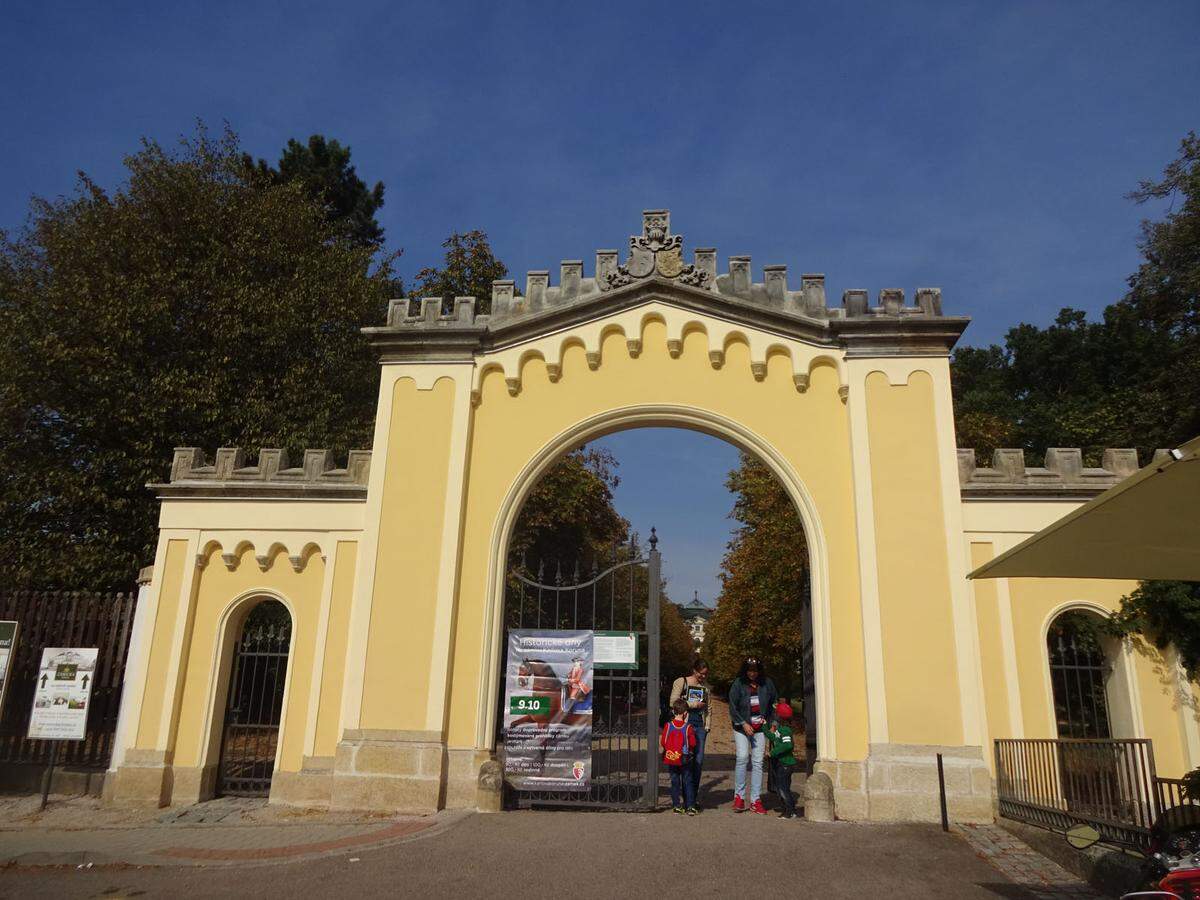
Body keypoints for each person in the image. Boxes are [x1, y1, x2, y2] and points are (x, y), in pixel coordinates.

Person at [727, 656, 777, 814]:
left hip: (760, 728)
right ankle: (739, 797)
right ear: (745, 670)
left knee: (757, 762)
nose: (752, 674)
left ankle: (755, 799)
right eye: (749, 671)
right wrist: (743, 723)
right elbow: (732, 706)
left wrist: (774, 722)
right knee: (742, 758)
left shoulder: (767, 683)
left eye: (755, 671)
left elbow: (774, 703)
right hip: (742, 727)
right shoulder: (738, 684)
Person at [670, 657, 711, 809]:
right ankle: (680, 796)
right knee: (683, 760)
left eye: (706, 674)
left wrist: (707, 726)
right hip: (683, 726)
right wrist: (694, 704)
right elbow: (673, 701)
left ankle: (692, 799)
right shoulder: (681, 682)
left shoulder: (706, 687)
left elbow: (709, 708)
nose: (703, 677)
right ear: (694, 670)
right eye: (701, 673)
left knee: (698, 762)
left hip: (700, 726)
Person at [660, 698, 698, 815]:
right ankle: (690, 806)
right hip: (685, 759)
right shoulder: (688, 727)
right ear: (685, 713)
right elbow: (693, 743)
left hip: (671, 758)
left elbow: (663, 742)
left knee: (674, 782)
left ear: (674, 711)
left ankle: (676, 805)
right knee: (687, 781)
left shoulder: (668, 725)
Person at [765, 701, 799, 818]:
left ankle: (789, 811)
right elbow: (773, 737)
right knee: (781, 788)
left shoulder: (785, 731)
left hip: (785, 765)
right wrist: (764, 726)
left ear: (779, 716)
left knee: (783, 789)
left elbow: (787, 745)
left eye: (776, 713)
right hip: (781, 764)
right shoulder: (781, 729)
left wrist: (772, 752)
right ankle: (788, 809)